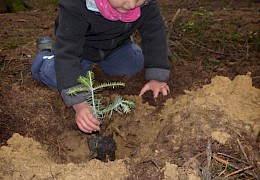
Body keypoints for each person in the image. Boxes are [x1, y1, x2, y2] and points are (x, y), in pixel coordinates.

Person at [31, 0, 170, 134]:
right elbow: (68, 54)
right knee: (55, 75)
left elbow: (154, 35)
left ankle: (119, 57)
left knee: (135, 65)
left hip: (116, 47)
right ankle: (46, 54)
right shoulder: (76, 6)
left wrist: (157, 77)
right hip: (80, 51)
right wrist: (79, 103)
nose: (132, 4)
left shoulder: (147, 4)